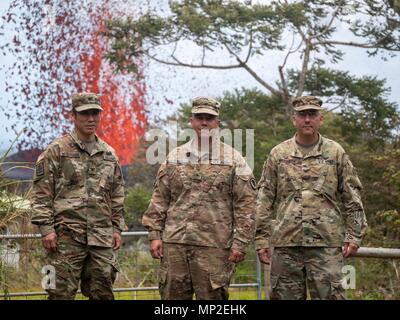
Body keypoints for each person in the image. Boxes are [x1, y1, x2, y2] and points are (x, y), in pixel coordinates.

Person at [142, 97, 257, 300]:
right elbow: (160, 198)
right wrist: (154, 234)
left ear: (217, 123)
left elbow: (246, 204)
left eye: (209, 118)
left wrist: (240, 242)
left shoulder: (234, 159)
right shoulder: (174, 158)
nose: (204, 123)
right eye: (199, 117)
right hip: (175, 245)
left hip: (214, 247)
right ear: (191, 121)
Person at [255, 96, 368, 300]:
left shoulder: (335, 153)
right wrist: (261, 239)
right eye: (302, 115)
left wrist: (354, 235)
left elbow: (352, 197)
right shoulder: (278, 154)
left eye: (312, 114)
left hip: (326, 244)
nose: (307, 119)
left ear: (320, 119)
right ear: (294, 119)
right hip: (286, 244)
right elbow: (264, 199)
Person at [30, 92, 126, 300]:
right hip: (65, 237)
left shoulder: (108, 153)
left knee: (103, 293)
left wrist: (117, 228)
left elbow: (117, 194)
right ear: (73, 115)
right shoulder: (56, 151)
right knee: (59, 293)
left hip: (101, 237)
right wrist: (46, 229)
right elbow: (41, 194)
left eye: (95, 113)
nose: (91, 119)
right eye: (85, 114)